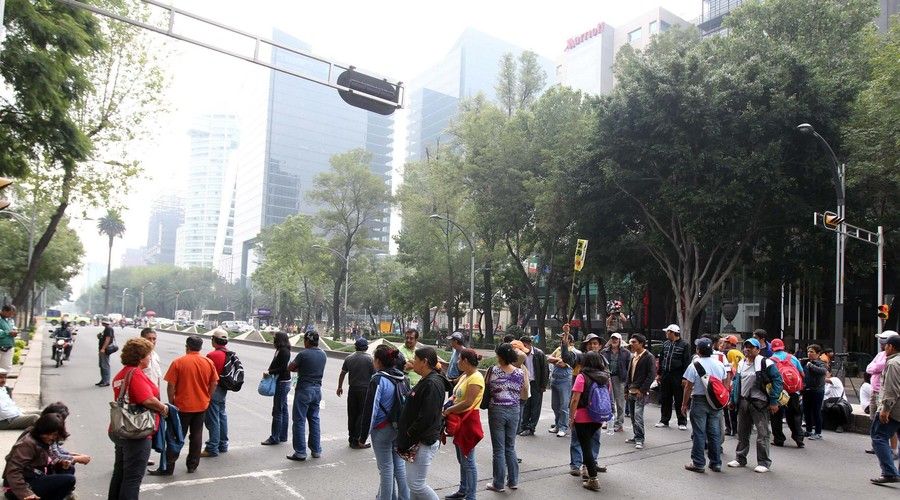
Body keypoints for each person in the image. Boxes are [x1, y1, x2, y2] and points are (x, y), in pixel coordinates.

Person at [109, 337, 168, 499]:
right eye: (148, 355)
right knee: (133, 478)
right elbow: (147, 399)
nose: (150, 358)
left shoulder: (122, 374)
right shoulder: (135, 374)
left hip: (122, 429)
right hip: (137, 431)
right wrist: (163, 408)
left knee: (120, 474)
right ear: (140, 358)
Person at [152, 336, 218, 475]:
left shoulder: (178, 362)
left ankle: (169, 467)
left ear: (187, 346)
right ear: (200, 347)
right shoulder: (208, 362)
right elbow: (214, 383)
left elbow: (171, 385)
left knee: (175, 436)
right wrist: (207, 397)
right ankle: (192, 465)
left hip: (182, 407)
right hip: (201, 405)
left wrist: (172, 402)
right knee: (196, 436)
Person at [359, 345, 410, 500]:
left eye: (374, 359)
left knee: (386, 469)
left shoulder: (379, 379)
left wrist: (362, 437)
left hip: (382, 430)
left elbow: (371, 410)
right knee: (399, 466)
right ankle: (403, 497)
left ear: (379, 361)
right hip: (397, 428)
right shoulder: (403, 377)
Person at [398, 347, 447, 500]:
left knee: (417, 484)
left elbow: (427, 415)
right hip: (418, 440)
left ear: (424, 362)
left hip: (423, 440)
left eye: (416, 360)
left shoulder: (432, 383)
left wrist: (410, 431)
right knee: (413, 483)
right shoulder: (427, 379)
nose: (413, 362)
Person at [727, 338, 782, 473]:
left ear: (758, 349)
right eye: (745, 347)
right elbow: (737, 382)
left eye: (750, 347)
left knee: (762, 433)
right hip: (743, 401)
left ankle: (763, 462)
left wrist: (774, 401)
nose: (747, 349)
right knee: (742, 431)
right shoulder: (741, 363)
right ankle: (740, 458)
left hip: (760, 403)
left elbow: (777, 380)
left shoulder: (766, 363)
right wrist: (733, 400)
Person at [442, 349, 485, 500]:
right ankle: (463, 489)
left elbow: (468, 402)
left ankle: (471, 495)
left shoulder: (476, 378)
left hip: (468, 421)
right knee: (462, 459)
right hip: (459, 419)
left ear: (466, 361)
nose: (457, 362)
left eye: (459, 360)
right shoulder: (465, 376)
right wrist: (448, 405)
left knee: (468, 460)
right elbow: (455, 395)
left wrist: (449, 410)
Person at [3, 413, 76, 500]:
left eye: (54, 435)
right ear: (41, 430)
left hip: (36, 475)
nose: (51, 437)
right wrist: (26, 494)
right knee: (69, 480)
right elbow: (13, 472)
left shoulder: (43, 440)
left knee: (69, 469)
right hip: (18, 488)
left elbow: (48, 459)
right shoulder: (27, 444)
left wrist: (60, 463)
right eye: (49, 434)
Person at [682, 338, 727, 473]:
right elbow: (724, 383)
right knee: (714, 432)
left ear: (698, 350)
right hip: (715, 401)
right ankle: (716, 462)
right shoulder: (719, 364)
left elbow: (688, 387)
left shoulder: (694, 365)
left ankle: (698, 462)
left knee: (699, 433)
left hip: (699, 400)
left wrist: (684, 404)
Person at [485, 343, 525, 493]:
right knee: (510, 446)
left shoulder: (493, 370)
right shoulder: (520, 372)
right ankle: (513, 481)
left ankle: (498, 483)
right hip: (514, 410)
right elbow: (523, 391)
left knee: (499, 449)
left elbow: (486, 387)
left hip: (497, 410)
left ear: (500, 356)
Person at [567, 351, 610, 491]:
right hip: (598, 417)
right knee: (588, 444)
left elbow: (575, 399)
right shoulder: (605, 377)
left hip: (582, 417)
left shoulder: (582, 376)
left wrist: (571, 417)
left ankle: (593, 478)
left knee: (585, 447)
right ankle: (588, 471)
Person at [286, 330, 327, 461]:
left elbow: (290, 367)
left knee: (299, 421)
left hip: (304, 389)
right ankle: (316, 450)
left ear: (307, 341)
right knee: (314, 419)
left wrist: (300, 368)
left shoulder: (303, 354)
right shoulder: (323, 354)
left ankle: (300, 452)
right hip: (317, 390)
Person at [870, 335, 900, 485]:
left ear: (892, 347)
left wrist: (885, 409)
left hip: (894, 409)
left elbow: (891, 389)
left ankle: (889, 472)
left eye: (887, 345)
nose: (884, 348)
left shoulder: (894, 363)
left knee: (878, 436)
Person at [337, 337, 375, 449]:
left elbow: (342, 373)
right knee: (362, 415)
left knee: (352, 414)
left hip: (352, 390)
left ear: (355, 347)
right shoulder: (370, 359)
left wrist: (339, 387)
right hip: (365, 390)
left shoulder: (349, 358)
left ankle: (351, 438)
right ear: (366, 348)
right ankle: (357, 440)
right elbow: (375, 376)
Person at [202, 329, 233, 457]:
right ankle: (223, 444)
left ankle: (212, 447)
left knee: (213, 418)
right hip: (223, 389)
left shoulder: (212, 356)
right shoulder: (228, 354)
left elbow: (207, 376)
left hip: (214, 388)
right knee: (222, 415)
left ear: (214, 340)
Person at [769, 338, 805, 448]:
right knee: (795, 415)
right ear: (783, 347)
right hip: (793, 392)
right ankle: (799, 438)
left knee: (776, 416)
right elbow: (802, 374)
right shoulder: (793, 358)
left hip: (778, 392)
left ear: (772, 348)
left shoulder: (770, 360)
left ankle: (779, 439)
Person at [656, 324, 690, 430]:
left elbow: (686, 362)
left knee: (679, 398)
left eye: (668, 332)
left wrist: (685, 378)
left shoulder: (684, 345)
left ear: (672, 332)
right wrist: (659, 374)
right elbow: (661, 360)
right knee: (665, 397)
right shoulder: (665, 344)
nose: (666, 334)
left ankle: (682, 421)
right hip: (666, 374)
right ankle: (664, 420)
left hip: (678, 375)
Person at [626, 334, 655, 450]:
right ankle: (636, 435)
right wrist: (626, 389)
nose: (631, 344)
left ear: (641, 343)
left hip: (639, 391)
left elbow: (651, 375)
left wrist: (642, 390)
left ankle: (640, 438)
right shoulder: (633, 356)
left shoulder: (649, 357)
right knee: (632, 415)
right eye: (631, 342)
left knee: (638, 416)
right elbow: (629, 374)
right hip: (631, 390)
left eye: (634, 342)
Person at [262, 332, 292, 446]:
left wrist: (269, 372)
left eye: (275, 338)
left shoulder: (284, 351)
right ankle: (282, 436)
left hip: (282, 382)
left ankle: (275, 437)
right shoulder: (281, 350)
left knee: (277, 411)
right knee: (283, 409)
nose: (273, 340)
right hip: (283, 381)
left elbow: (283, 368)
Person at [517, 335, 548, 437]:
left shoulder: (539, 354)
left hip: (536, 383)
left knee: (535, 406)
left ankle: (531, 427)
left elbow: (545, 370)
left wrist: (543, 385)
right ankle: (523, 426)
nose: (523, 348)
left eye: (525, 345)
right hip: (526, 383)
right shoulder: (521, 355)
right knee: (526, 405)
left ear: (530, 344)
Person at [548, 327, 575, 437]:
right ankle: (558, 424)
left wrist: (560, 361)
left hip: (565, 380)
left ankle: (564, 427)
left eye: (564, 338)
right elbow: (549, 358)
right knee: (555, 405)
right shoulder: (558, 349)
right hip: (555, 379)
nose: (561, 340)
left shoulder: (572, 351)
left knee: (564, 406)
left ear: (569, 340)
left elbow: (565, 364)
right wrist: (558, 360)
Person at [601, 332, 631, 434]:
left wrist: (628, 381)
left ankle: (619, 423)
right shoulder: (605, 352)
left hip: (620, 378)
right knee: (608, 401)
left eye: (616, 339)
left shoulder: (626, 352)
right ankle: (608, 420)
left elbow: (629, 367)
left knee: (620, 402)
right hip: (607, 378)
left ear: (619, 341)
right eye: (612, 339)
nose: (614, 341)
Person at [802, 344, 828, 441]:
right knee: (806, 411)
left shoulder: (821, 363)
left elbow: (823, 371)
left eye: (812, 352)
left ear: (818, 354)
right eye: (808, 351)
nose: (809, 354)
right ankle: (808, 430)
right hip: (807, 390)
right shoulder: (806, 362)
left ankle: (818, 432)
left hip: (817, 391)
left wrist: (811, 365)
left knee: (816, 411)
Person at [722, 335, 744, 436]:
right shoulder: (740, 353)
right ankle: (736, 428)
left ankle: (730, 428)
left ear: (730, 343)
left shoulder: (729, 353)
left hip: (731, 381)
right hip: (740, 381)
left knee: (728, 406)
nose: (724, 344)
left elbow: (728, 368)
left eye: (726, 342)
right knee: (735, 406)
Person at [97, 319, 115, 387]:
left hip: (105, 349)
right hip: (102, 349)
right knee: (101, 365)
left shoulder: (108, 329)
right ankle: (103, 380)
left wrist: (103, 348)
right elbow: (104, 338)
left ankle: (106, 381)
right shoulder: (106, 329)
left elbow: (108, 339)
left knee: (105, 365)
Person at [0, 305, 17, 372]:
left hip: (8, 347)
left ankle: (3, 382)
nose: (11, 315)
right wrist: (8, 332)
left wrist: (14, 331)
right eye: (9, 313)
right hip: (1, 348)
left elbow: (12, 327)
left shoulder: (9, 320)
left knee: (6, 369)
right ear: (4, 311)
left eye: (12, 314)